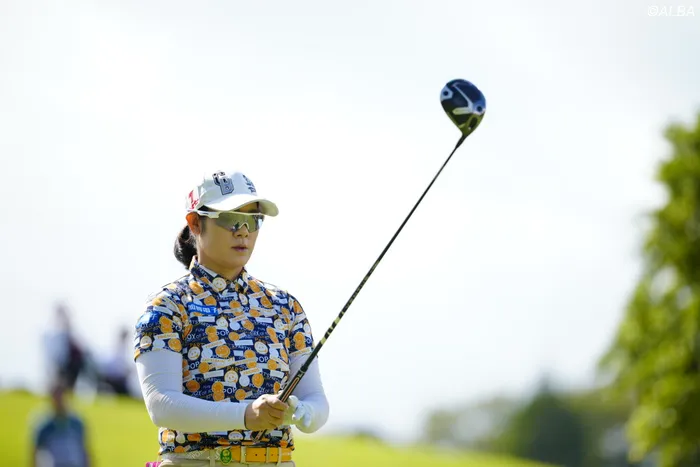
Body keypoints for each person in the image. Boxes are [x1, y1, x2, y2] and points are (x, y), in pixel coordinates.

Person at [134, 170, 330, 467]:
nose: (243, 231)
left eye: (253, 220)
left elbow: (316, 399)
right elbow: (162, 404)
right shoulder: (167, 305)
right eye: (230, 219)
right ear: (195, 223)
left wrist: (301, 412)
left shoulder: (285, 306)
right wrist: (247, 415)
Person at [31, 379, 92, 467]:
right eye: (56, 397)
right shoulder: (44, 425)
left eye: (61, 397)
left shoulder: (77, 423)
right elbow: (35, 452)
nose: (59, 401)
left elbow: (86, 451)